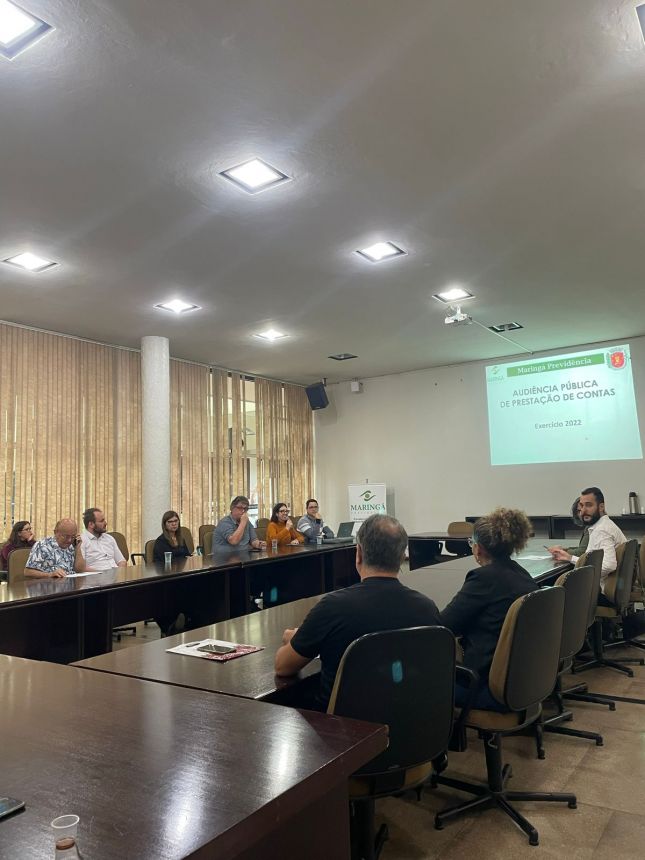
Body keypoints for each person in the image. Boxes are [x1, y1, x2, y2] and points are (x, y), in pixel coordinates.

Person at [275, 513, 441, 711]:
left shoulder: (332, 607)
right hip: (410, 722)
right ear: (402, 556)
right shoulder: (427, 609)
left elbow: (283, 667)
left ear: (359, 553)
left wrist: (295, 638)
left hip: (343, 726)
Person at [440, 508, 536, 711]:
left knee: (420, 679)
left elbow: (443, 626)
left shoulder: (483, 579)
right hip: (523, 682)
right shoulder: (522, 573)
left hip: (486, 687)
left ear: (479, 548)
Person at [547, 487, 626, 605]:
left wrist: (574, 562)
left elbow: (608, 565)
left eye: (589, 505)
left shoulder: (601, 530)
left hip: (601, 594)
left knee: (549, 588)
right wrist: (570, 558)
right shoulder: (605, 525)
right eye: (581, 506)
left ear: (601, 507)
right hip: (612, 590)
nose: (583, 511)